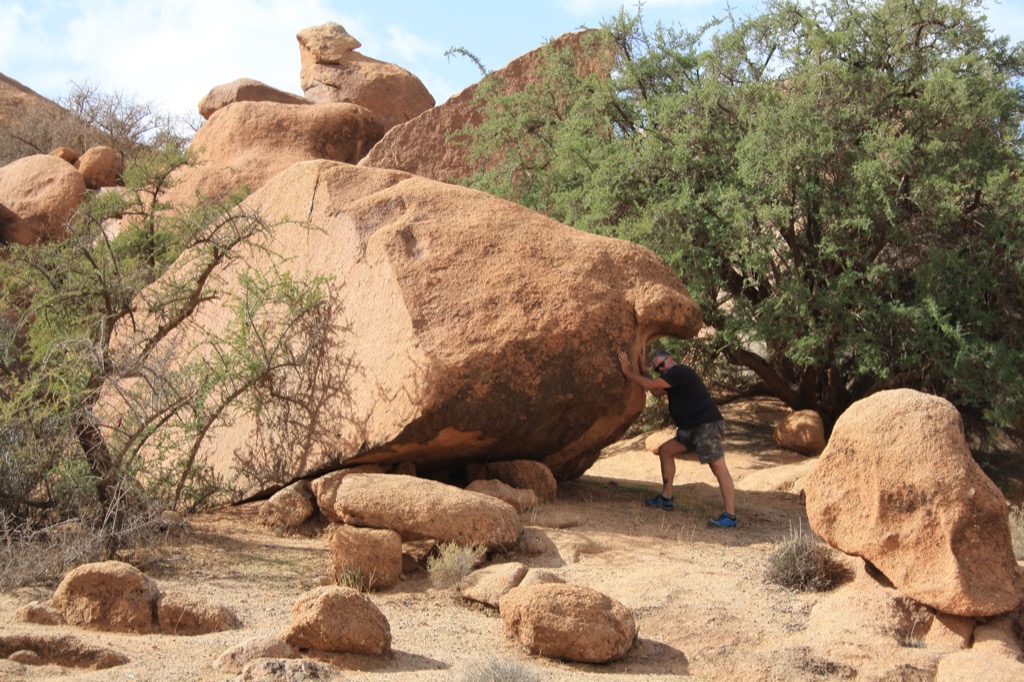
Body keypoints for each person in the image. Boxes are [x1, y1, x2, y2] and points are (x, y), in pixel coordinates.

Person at [617, 349, 738, 528]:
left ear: (671, 359)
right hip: (689, 429)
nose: (661, 369)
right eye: (657, 369)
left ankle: (730, 516)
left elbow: (651, 385)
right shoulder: (672, 379)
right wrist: (643, 370)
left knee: (718, 467)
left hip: (705, 425)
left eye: (662, 364)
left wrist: (627, 372)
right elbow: (656, 391)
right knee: (666, 451)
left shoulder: (679, 371)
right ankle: (666, 499)